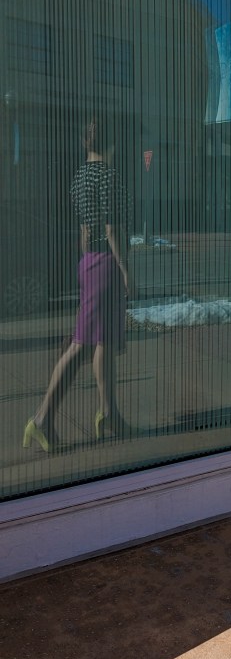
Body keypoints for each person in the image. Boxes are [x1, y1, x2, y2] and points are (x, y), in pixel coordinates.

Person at [22, 115, 131, 452]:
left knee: (103, 340)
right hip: (105, 264)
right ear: (112, 144)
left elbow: (86, 230)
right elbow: (112, 230)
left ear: (86, 143)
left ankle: (109, 413)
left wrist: (88, 264)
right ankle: (41, 419)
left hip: (88, 262)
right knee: (82, 344)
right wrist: (126, 272)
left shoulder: (80, 177)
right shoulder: (109, 177)